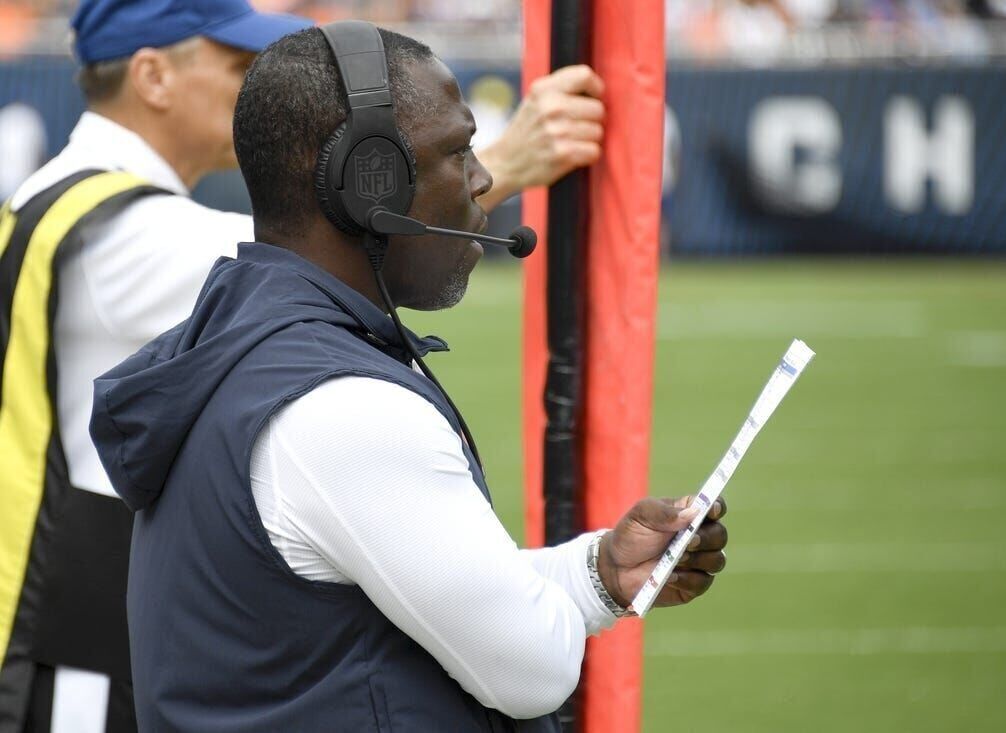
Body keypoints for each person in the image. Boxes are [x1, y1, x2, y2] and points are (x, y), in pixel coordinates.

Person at [88, 23, 729, 731]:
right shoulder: (341, 407)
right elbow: (533, 667)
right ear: (370, 186)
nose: (484, 179)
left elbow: (423, 605)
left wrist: (599, 574)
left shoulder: (252, 345)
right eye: (458, 151)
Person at [0, 0, 606, 730]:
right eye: (233, 63)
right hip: (83, 656)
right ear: (152, 75)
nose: (251, 80)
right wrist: (506, 159)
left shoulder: (62, 199)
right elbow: (317, 238)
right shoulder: (119, 228)